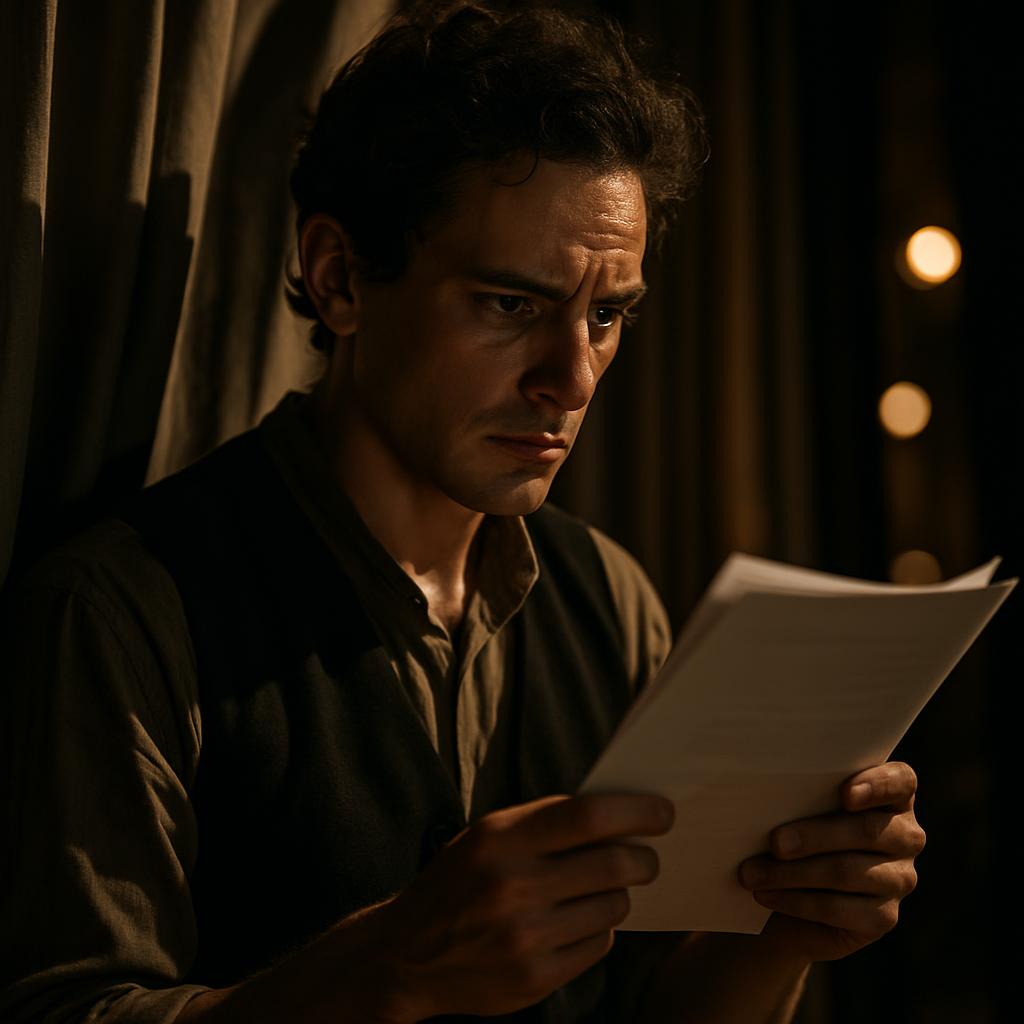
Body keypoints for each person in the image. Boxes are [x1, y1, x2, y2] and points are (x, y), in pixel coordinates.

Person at [0, 3, 925, 1022]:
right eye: (510, 304)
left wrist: (780, 932)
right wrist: (389, 968)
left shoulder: (610, 600)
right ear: (339, 276)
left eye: (607, 314)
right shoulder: (127, 606)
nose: (570, 379)